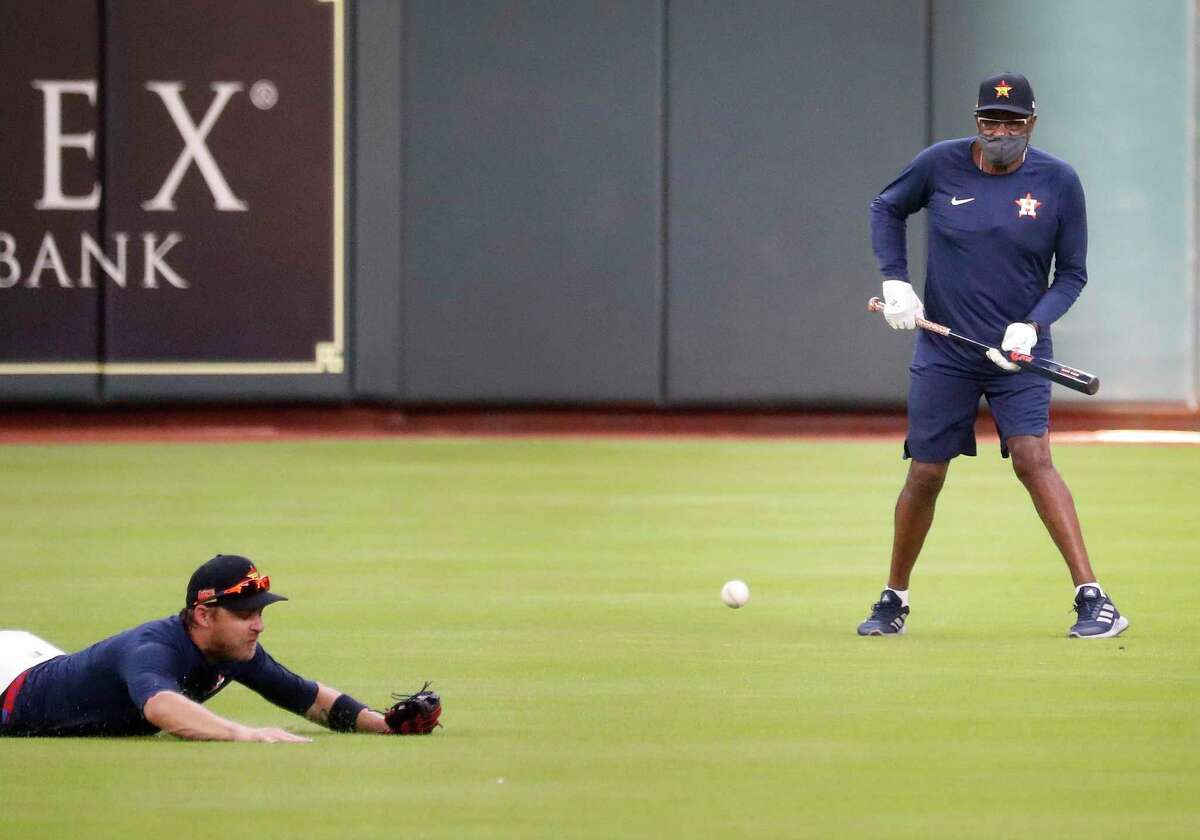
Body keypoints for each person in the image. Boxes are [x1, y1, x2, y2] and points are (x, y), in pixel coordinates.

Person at [860, 72, 1128, 639]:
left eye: (1011, 123)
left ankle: (1093, 598)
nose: (999, 132)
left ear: (1031, 123)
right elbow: (886, 207)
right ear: (975, 122)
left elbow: (1073, 272)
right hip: (945, 350)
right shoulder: (940, 164)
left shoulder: (1059, 181)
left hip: (1020, 355)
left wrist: (1033, 325)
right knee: (926, 473)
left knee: (1034, 460)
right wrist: (896, 283)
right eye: (989, 122)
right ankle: (893, 599)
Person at [0, 554, 441, 738]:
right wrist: (242, 734)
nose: (259, 626)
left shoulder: (234, 651)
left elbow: (306, 696)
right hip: (8, 682)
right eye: (246, 614)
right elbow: (161, 708)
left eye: (260, 612)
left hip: (36, 657)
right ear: (204, 614)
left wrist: (382, 724)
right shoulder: (153, 648)